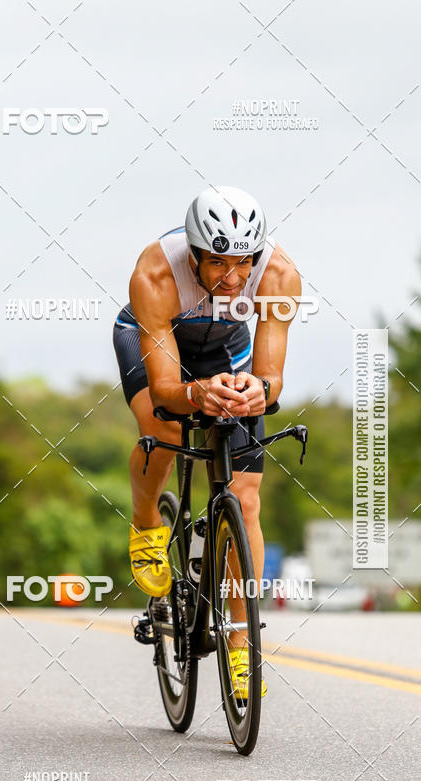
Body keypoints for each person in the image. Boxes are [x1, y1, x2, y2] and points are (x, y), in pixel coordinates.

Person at [113, 185, 301, 700]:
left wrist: (255, 392)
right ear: (194, 253)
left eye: (243, 262)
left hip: (228, 352)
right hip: (156, 342)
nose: (233, 277)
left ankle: (242, 644)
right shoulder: (155, 273)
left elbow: (271, 378)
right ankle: (148, 521)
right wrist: (197, 392)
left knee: (247, 499)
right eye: (217, 262)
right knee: (166, 427)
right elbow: (169, 390)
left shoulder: (279, 276)